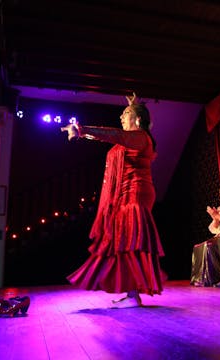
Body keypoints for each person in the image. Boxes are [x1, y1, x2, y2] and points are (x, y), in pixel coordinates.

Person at [61, 93, 164, 308]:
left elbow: (114, 135)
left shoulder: (140, 136)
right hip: (126, 193)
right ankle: (131, 293)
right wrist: (83, 134)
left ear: (137, 120)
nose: (121, 116)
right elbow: (114, 136)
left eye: (126, 114)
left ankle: (133, 295)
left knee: (129, 241)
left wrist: (82, 129)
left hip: (135, 193)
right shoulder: (131, 138)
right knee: (124, 241)